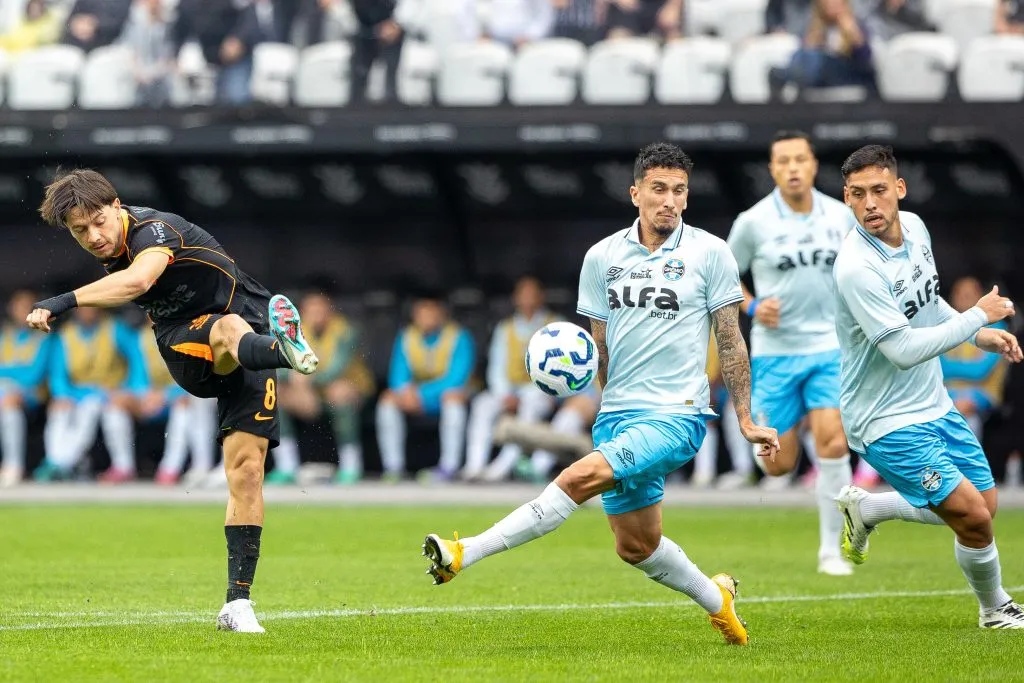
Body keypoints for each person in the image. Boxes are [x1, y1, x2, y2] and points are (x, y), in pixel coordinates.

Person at [421, 143, 780, 646]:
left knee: (579, 475)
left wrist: (744, 417)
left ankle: (466, 552)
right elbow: (599, 347)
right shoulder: (601, 257)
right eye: (659, 189)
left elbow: (730, 338)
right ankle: (717, 598)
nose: (670, 201)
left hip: (678, 415)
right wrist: (591, 392)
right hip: (617, 414)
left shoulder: (710, 253)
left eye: (679, 191)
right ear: (636, 193)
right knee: (636, 546)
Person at [28, 169, 319, 633]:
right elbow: (136, 286)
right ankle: (284, 349)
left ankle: (237, 605)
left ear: (118, 206)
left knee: (246, 470)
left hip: (250, 325)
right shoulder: (113, 241)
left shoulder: (156, 231)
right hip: (186, 344)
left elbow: (138, 281)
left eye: (99, 221)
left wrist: (61, 301)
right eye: (79, 231)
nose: (94, 236)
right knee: (226, 331)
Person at [832, 145, 1024, 629]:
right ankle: (994, 609)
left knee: (984, 508)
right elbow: (902, 350)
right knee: (974, 519)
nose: (870, 204)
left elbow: (929, 304)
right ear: (847, 199)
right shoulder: (857, 267)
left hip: (932, 404)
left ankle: (869, 507)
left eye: (879, 190)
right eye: (858, 195)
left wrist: (977, 333)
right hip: (882, 419)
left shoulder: (915, 228)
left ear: (899, 188)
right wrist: (980, 314)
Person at [726, 130, 856, 575]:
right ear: (772, 169)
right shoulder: (753, 222)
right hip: (774, 356)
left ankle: (831, 550)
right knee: (777, 466)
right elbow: (723, 277)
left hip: (828, 347)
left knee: (833, 440)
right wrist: (754, 305)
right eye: (783, 161)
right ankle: (796, 425)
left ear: (814, 164)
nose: (793, 168)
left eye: (800, 159)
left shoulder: (842, 216)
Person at [271, 291, 375, 485]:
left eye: (321, 307)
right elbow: (281, 365)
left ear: (330, 309)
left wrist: (307, 381)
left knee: (339, 391)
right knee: (277, 394)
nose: (316, 313)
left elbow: (337, 369)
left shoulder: (346, 331)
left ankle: (351, 466)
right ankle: (287, 466)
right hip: (314, 394)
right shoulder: (294, 332)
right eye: (311, 309)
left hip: (353, 391)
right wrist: (297, 382)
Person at [463, 276, 559, 482]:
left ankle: (504, 465)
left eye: (532, 294)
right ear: (515, 298)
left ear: (541, 297)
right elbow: (496, 367)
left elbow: (562, 366)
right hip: (509, 389)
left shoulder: (556, 324)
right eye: (523, 294)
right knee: (482, 404)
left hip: (540, 390)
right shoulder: (504, 327)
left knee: (530, 404)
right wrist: (504, 394)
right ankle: (475, 465)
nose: (528, 299)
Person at [375, 292, 475, 482]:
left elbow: (456, 379)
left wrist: (420, 394)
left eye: (431, 311)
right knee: (387, 399)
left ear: (442, 313)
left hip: (446, 395)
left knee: (452, 398)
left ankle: (449, 467)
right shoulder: (406, 336)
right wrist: (405, 392)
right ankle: (393, 467)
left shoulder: (459, 336)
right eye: (422, 312)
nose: (427, 317)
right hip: (415, 398)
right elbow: (397, 376)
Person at [0, 290, 52, 486]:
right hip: (4, 392)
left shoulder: (44, 337)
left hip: (32, 397)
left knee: (10, 409)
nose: (23, 311)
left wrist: (7, 371)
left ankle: (13, 466)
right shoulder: (5, 336)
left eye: (28, 307)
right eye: (19, 306)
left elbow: (34, 376)